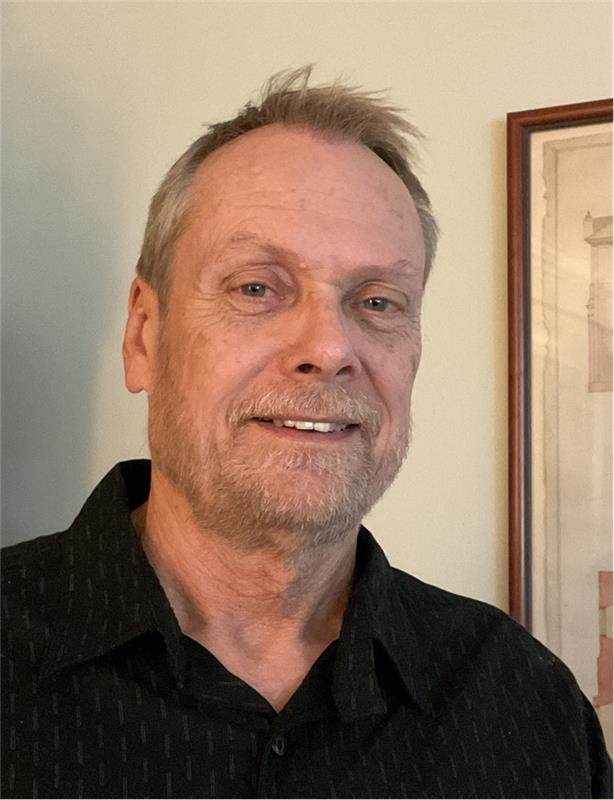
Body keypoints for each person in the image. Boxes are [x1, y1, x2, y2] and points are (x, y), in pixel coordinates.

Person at [2, 66, 611, 800]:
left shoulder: (529, 708)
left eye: (378, 301)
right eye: (256, 287)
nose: (329, 347)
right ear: (144, 335)